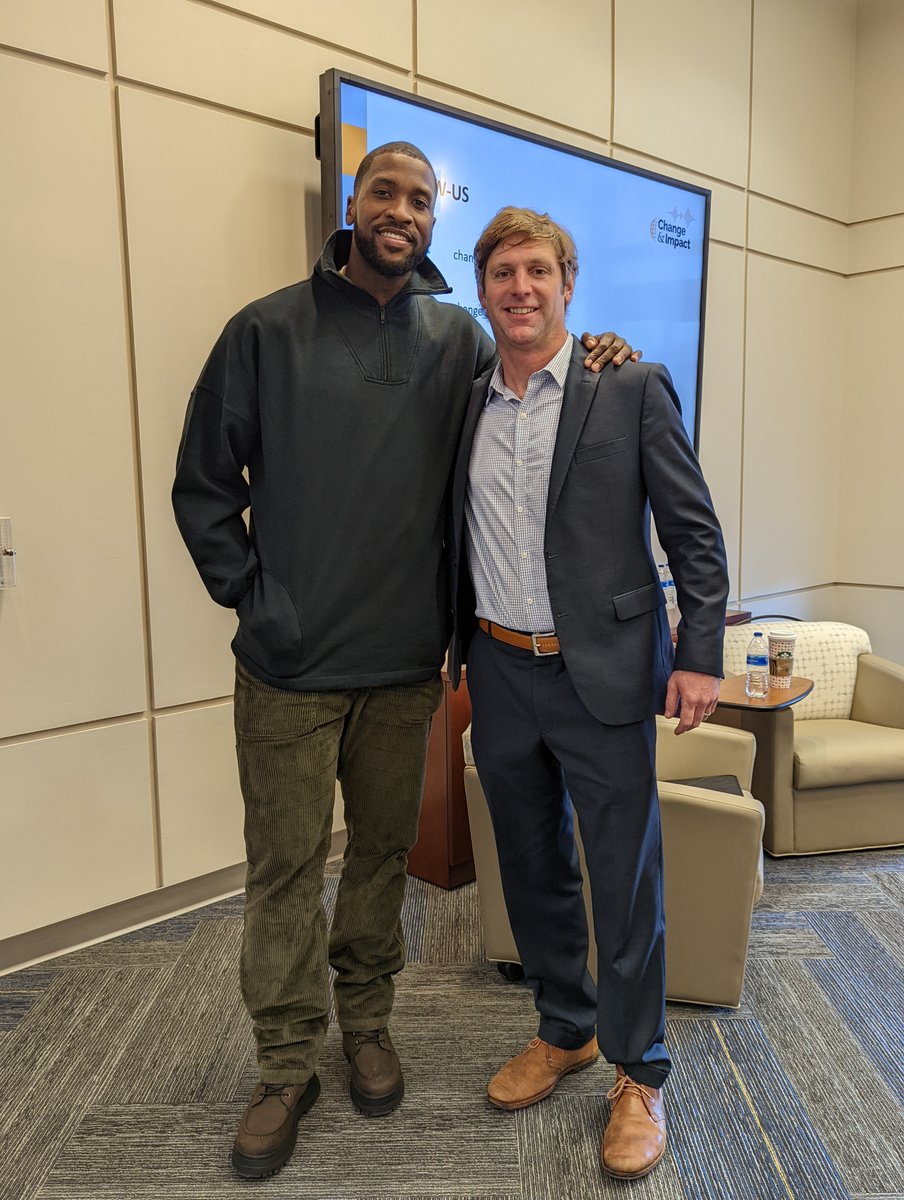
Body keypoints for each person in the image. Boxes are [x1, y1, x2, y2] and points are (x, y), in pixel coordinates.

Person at [172, 143, 636, 1180]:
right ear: (354, 203)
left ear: (434, 219)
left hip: (400, 672)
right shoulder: (264, 331)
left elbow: (532, 383)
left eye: (421, 200)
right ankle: (286, 1062)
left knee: (381, 861)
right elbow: (204, 484)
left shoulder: (456, 340)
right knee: (286, 872)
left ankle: (367, 1026)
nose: (402, 212)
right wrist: (256, 597)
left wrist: (596, 346)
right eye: (385, 192)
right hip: (288, 668)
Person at [448, 207, 728, 1180]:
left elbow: (693, 535)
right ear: (481, 289)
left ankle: (639, 1071)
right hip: (498, 668)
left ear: (567, 285)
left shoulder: (631, 384)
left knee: (625, 879)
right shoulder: (460, 401)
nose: (518, 288)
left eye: (536, 270)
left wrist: (698, 652)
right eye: (500, 273)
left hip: (600, 671)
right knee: (529, 868)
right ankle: (563, 1027)